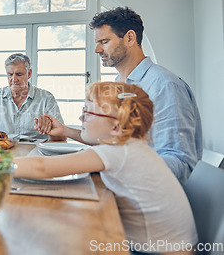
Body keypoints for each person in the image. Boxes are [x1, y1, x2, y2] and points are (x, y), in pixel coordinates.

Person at [15, 82, 197, 254]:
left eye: (88, 113)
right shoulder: (133, 146)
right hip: (169, 246)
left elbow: (42, 167)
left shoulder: (117, 152)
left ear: (116, 127)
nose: (81, 118)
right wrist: (65, 131)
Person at [39, 7, 202, 184]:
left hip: (149, 197)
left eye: (104, 41)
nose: (97, 49)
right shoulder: (119, 84)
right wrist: (66, 131)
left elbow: (180, 164)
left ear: (130, 38)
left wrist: (107, 163)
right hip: (124, 185)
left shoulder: (164, 86)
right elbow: (115, 142)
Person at [0, 53, 66, 141]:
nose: (14, 79)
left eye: (19, 74)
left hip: (36, 154)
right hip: (1, 153)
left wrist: (48, 128)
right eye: (10, 74)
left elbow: (62, 137)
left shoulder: (46, 98)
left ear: (29, 74)